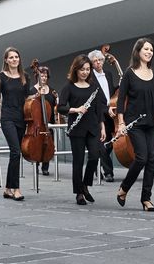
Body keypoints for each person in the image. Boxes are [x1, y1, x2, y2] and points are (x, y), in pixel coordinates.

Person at [115, 38, 154, 212]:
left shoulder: (153, 73)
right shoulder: (129, 73)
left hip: (153, 121)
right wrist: (121, 122)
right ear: (138, 51)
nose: (149, 52)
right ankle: (124, 188)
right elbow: (120, 100)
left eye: (151, 50)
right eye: (146, 49)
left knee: (152, 159)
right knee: (141, 157)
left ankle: (146, 199)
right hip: (136, 123)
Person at [58, 55, 107, 205]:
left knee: (94, 156)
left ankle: (85, 185)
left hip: (93, 127)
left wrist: (102, 126)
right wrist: (75, 109)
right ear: (76, 70)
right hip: (77, 129)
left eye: (87, 69)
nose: (85, 72)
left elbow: (99, 108)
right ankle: (79, 193)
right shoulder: (69, 86)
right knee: (78, 162)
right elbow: (60, 107)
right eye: (82, 69)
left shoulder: (94, 87)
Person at [0, 47, 35, 201]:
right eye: (11, 57)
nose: (14, 59)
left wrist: (38, 94)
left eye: (16, 57)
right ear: (6, 60)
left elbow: (27, 97)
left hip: (22, 118)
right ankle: (16, 189)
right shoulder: (0, 77)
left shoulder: (25, 77)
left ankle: (8, 188)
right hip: (7, 117)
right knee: (15, 151)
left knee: (16, 154)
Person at [88, 48, 117, 182]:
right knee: (103, 142)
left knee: (111, 143)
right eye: (95, 61)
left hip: (111, 114)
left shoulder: (109, 74)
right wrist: (106, 108)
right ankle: (108, 172)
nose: (98, 63)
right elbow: (94, 100)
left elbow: (110, 92)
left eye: (100, 60)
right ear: (91, 63)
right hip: (98, 114)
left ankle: (97, 163)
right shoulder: (90, 78)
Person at [32, 65, 58, 176]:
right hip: (37, 122)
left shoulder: (52, 91)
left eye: (46, 76)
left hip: (49, 122)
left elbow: (56, 106)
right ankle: (36, 163)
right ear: (37, 76)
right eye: (42, 75)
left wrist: (58, 100)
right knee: (37, 143)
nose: (44, 78)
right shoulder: (32, 90)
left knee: (48, 143)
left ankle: (45, 166)